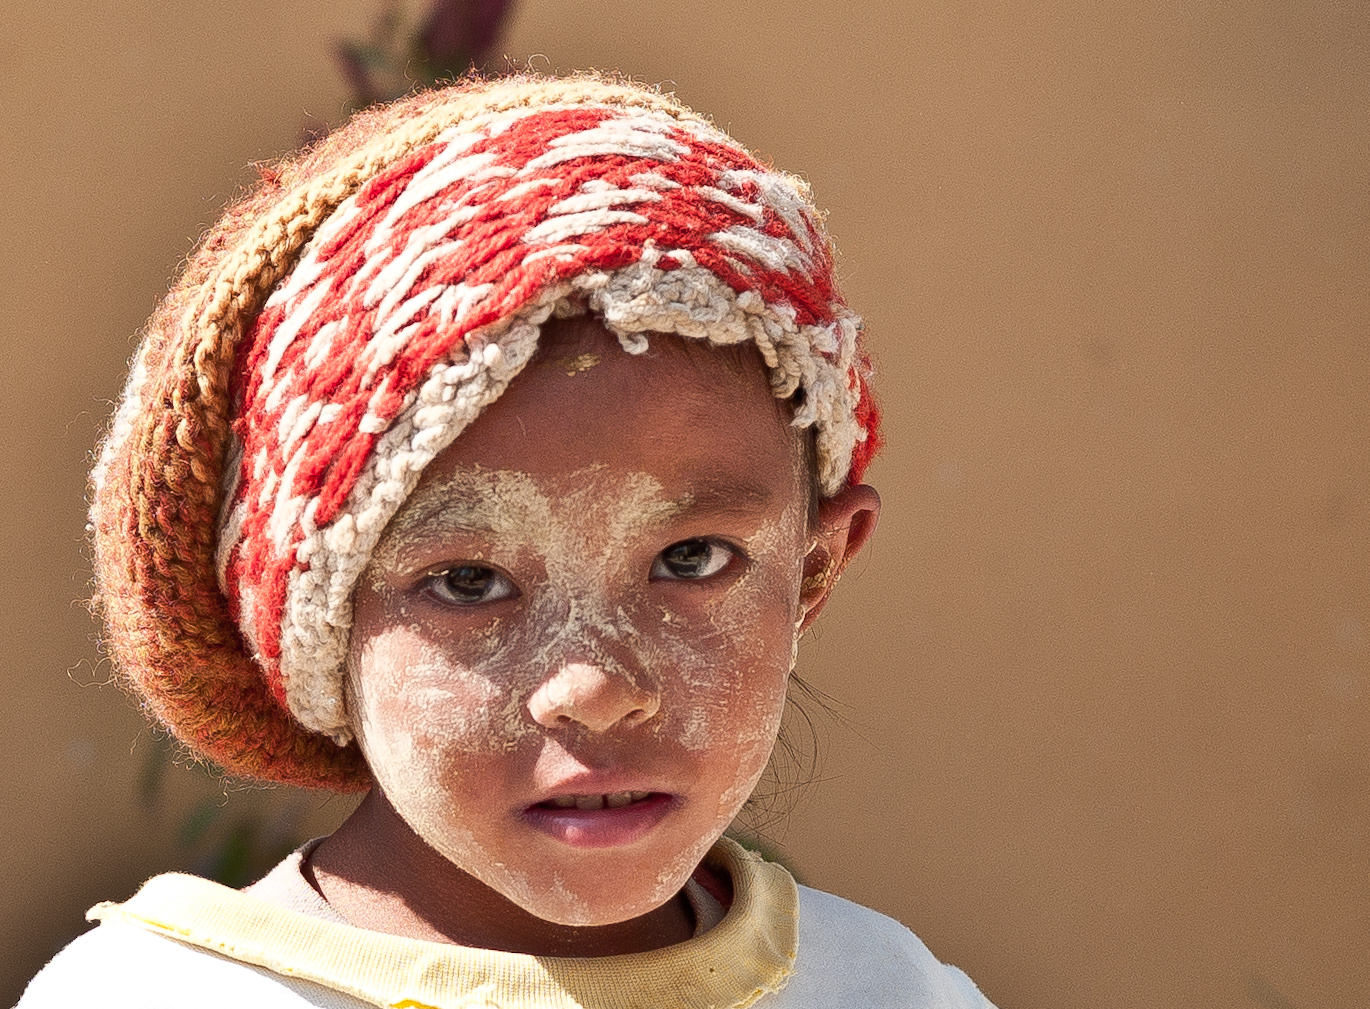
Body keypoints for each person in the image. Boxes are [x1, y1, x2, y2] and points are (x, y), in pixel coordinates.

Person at [20, 73, 995, 1008]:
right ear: (313, 621)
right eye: (468, 580)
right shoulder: (161, 999)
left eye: (690, 559)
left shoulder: (890, 989)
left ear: (814, 568)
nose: (598, 687)